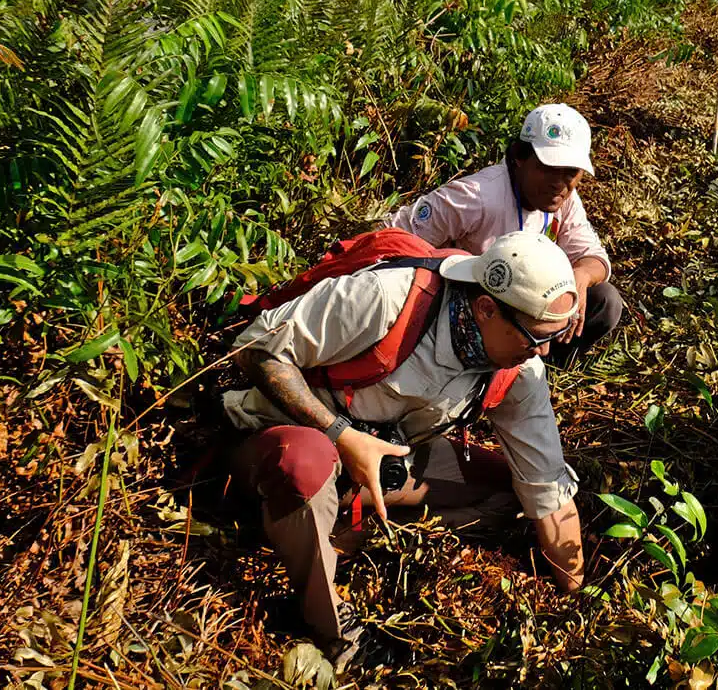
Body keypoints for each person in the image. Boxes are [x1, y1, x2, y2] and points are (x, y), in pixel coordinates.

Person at [221, 231, 587, 667]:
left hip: (381, 464)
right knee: (306, 461)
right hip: (278, 440)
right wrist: (341, 434)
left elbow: (545, 488)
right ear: (487, 308)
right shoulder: (389, 298)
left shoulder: (519, 369)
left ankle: (339, 533)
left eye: (556, 334)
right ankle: (332, 629)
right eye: (535, 336)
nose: (541, 351)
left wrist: (576, 602)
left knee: (507, 493)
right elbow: (255, 349)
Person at [384, 103, 622, 367]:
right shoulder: (475, 197)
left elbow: (594, 256)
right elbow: (393, 240)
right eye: (548, 168)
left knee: (605, 300)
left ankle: (543, 368)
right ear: (520, 157)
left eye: (571, 173)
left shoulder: (564, 198)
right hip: (472, 309)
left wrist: (582, 276)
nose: (559, 183)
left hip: (525, 308)